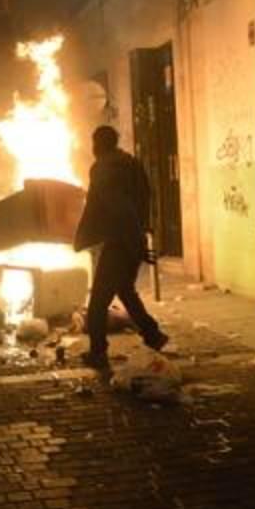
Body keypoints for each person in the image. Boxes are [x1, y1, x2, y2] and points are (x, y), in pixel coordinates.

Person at [73, 125, 169, 368]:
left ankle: (98, 352)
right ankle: (153, 335)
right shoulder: (131, 163)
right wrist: (142, 232)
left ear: (98, 144)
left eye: (93, 143)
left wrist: (128, 238)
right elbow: (146, 196)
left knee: (97, 302)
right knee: (125, 290)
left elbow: (116, 206)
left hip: (119, 240)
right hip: (132, 237)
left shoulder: (104, 168)